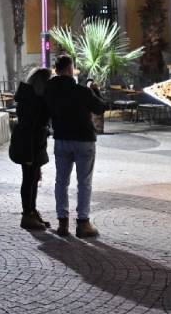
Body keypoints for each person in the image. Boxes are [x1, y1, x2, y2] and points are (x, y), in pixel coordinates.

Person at [46, 55, 106, 239]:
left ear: (56, 70)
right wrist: (95, 92)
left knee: (61, 182)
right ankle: (83, 223)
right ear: (71, 69)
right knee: (84, 183)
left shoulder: (49, 90)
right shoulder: (81, 91)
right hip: (83, 140)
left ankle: (62, 222)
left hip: (62, 139)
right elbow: (100, 108)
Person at [13, 67, 53, 231]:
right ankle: (27, 214)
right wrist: (29, 154)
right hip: (29, 146)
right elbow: (29, 128)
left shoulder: (34, 98)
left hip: (35, 145)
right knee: (28, 179)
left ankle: (32, 211)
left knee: (33, 178)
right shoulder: (31, 101)